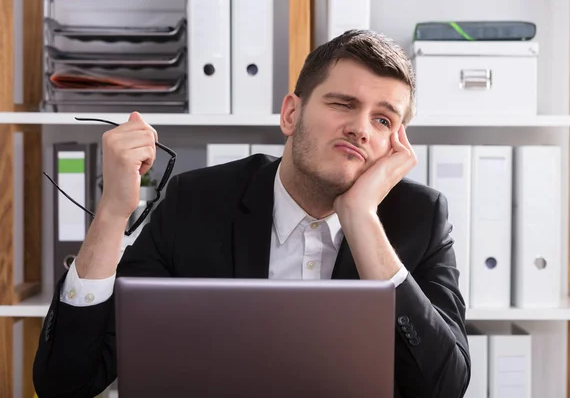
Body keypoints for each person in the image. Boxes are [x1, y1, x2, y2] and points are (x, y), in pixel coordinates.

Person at [33, 29, 470, 397]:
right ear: (290, 114)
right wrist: (112, 213)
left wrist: (360, 218)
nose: (360, 127)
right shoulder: (197, 203)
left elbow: (443, 386)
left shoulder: (420, 217)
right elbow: (67, 381)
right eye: (343, 104)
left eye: (383, 120)